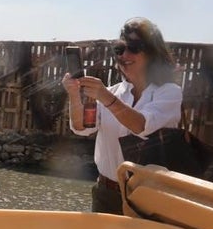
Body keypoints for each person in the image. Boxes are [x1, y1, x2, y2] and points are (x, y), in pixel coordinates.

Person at [63, 17, 184, 215]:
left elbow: (141, 125)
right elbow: (82, 128)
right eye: (119, 49)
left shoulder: (169, 92)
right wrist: (74, 95)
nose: (124, 54)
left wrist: (105, 97)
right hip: (105, 193)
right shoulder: (113, 91)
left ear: (153, 53)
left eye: (134, 47)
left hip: (148, 197)